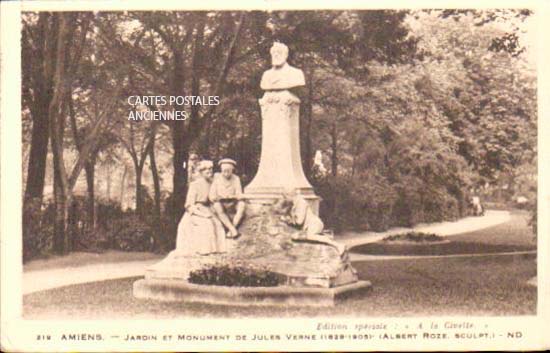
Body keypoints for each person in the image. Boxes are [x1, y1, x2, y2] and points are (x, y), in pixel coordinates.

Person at [175, 160, 226, 255]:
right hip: (196, 211)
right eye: (206, 169)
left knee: (218, 224)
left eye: (210, 169)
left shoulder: (213, 183)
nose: (209, 171)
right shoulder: (195, 185)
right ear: (201, 172)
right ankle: (204, 251)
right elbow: (189, 205)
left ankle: (217, 251)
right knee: (206, 224)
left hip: (209, 208)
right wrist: (202, 214)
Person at [278, 189, 346, 256]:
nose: (285, 199)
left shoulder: (301, 203)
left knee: (310, 236)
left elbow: (299, 221)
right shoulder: (294, 204)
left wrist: (287, 220)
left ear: (289, 195)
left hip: (314, 224)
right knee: (294, 237)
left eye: (285, 197)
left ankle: (338, 245)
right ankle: (324, 236)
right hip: (308, 227)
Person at [209, 158, 245, 238]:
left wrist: (234, 196)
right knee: (217, 206)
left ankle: (231, 230)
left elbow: (239, 193)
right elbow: (211, 195)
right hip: (221, 203)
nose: (226, 173)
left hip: (232, 202)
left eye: (228, 171)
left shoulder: (236, 179)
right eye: (224, 171)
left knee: (242, 205)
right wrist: (217, 197)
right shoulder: (217, 179)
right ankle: (233, 230)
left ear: (232, 170)